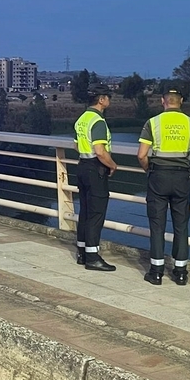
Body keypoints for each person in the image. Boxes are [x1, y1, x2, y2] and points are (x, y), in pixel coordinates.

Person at [136, 88, 190, 285]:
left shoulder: (153, 122)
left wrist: (149, 170)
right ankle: (181, 271)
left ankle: (156, 271)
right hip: (182, 178)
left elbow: (142, 155)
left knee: (157, 225)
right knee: (181, 225)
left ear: (163, 101)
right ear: (181, 101)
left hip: (158, 176)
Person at [73, 83, 120, 271]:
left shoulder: (82, 119)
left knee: (85, 211)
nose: (109, 100)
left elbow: (76, 145)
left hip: (82, 167)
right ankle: (93, 257)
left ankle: (82, 253)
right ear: (101, 100)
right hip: (95, 169)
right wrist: (113, 165)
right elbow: (100, 151)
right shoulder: (98, 121)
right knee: (96, 213)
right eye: (108, 97)